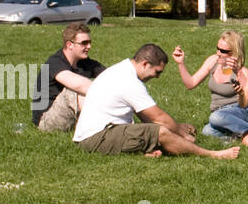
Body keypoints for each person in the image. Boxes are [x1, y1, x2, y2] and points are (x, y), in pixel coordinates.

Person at [72, 44, 238, 159]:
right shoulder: (129, 81)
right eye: (157, 72)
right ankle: (213, 155)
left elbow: (146, 117)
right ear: (145, 64)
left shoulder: (122, 69)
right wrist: (182, 133)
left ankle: (148, 151)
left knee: (158, 131)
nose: (157, 77)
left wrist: (177, 127)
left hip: (101, 134)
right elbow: (158, 118)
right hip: (95, 139)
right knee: (161, 132)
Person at [172, 31, 248, 139]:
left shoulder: (242, 70)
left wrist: (238, 72)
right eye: (217, 48)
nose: (218, 53)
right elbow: (190, 84)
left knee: (215, 117)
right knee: (207, 131)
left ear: (235, 52)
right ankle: (235, 137)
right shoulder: (213, 61)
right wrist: (180, 63)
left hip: (239, 110)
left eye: (223, 51)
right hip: (218, 112)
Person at [31, 23, 106, 132]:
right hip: (46, 121)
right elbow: (79, 85)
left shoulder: (85, 63)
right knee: (74, 92)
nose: (89, 46)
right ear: (69, 45)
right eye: (84, 43)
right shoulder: (54, 62)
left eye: (90, 42)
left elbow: (110, 76)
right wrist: (111, 93)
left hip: (71, 117)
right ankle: (100, 128)